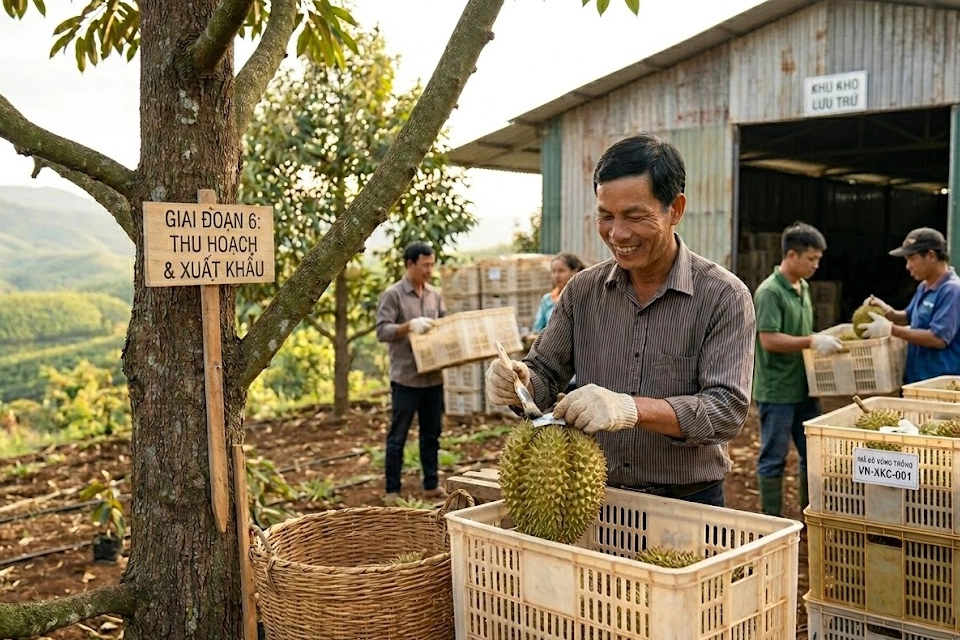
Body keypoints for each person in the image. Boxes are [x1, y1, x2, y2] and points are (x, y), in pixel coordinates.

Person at [484, 132, 757, 508]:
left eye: (634, 216)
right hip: (595, 498)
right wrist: (519, 382)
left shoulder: (724, 297)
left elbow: (725, 410)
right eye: (605, 216)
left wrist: (630, 409)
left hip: (690, 503)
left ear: (675, 209)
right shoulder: (582, 291)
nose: (618, 233)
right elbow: (544, 374)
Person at [752, 222, 843, 517]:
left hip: (805, 387)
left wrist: (820, 339)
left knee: (812, 454)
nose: (816, 265)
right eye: (811, 259)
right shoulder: (770, 292)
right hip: (777, 390)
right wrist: (812, 340)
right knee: (773, 457)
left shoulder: (803, 288)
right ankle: (772, 521)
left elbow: (800, 335)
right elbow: (769, 339)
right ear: (791, 255)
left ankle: (810, 514)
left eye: (818, 259)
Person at [375, 241, 447, 504]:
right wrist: (408, 327)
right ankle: (392, 490)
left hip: (432, 377)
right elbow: (382, 330)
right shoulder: (393, 295)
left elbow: (442, 324)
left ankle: (431, 484)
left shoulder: (434, 295)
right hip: (406, 378)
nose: (429, 270)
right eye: (425, 265)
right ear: (410, 264)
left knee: (432, 434)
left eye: (432, 264)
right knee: (398, 436)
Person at [859, 227, 960, 384]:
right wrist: (886, 311)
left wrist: (891, 329)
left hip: (940, 383)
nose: (907, 266)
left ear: (931, 256)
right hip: (916, 379)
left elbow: (938, 339)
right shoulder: (924, 286)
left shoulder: (952, 290)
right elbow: (908, 317)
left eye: (911, 259)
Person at [532, 252, 587, 333]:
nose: (556, 276)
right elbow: (537, 330)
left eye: (561, 271)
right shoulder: (547, 299)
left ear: (575, 272)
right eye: (553, 271)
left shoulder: (584, 297)